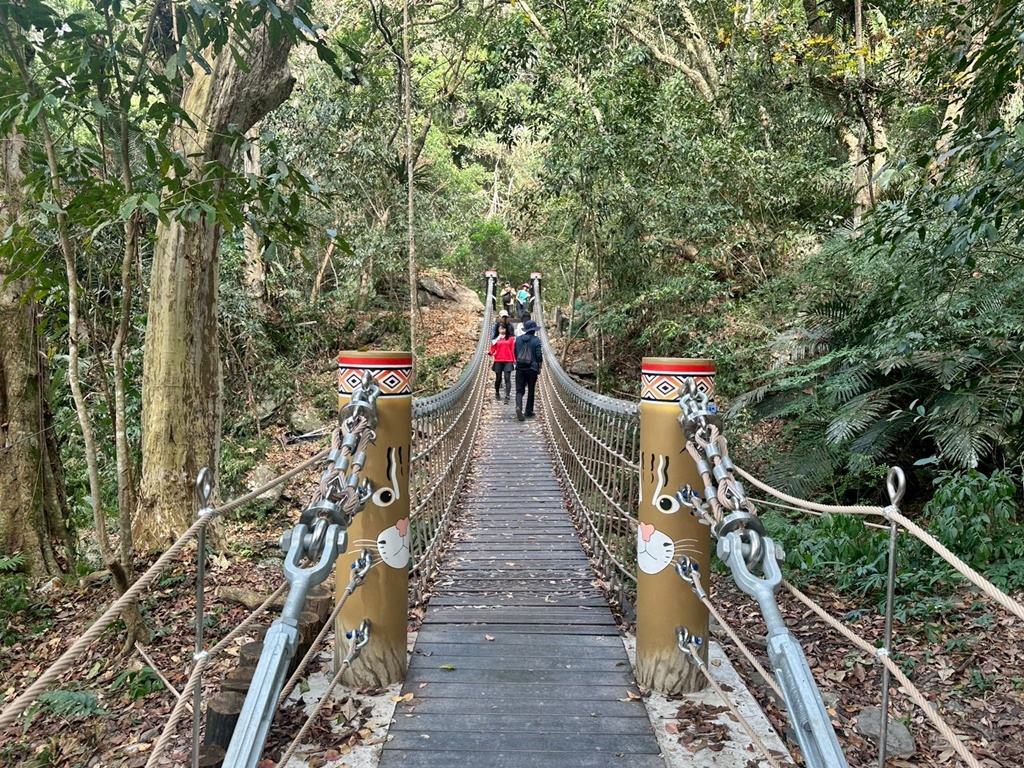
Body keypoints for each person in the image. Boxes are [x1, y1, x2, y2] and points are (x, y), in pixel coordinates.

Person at [514, 319, 543, 421]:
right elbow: (539, 356)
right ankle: (528, 411)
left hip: (520, 368)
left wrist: (519, 362)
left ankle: (518, 406)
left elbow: (515, 353)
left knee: (519, 389)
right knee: (531, 389)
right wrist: (539, 367)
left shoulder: (517, 339)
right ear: (534, 330)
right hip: (532, 369)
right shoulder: (536, 340)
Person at [489, 324, 516, 404]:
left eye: (504, 329)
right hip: (498, 360)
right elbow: (492, 349)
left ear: (506, 330)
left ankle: (507, 396)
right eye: (501, 329)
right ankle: (497, 392)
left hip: (508, 360)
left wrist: (514, 361)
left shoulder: (511, 339)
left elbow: (512, 350)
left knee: (507, 378)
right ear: (498, 330)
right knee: (498, 379)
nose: (502, 330)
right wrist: (489, 353)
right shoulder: (496, 340)